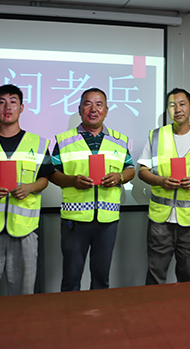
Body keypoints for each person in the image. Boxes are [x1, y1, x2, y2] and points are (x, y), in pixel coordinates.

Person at [0, 84, 54, 297]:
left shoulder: (38, 143)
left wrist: (30, 187)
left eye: (13, 102)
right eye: (2, 102)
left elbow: (45, 178)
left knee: (23, 293)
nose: (7, 107)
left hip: (24, 229)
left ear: (21, 108)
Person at [49, 88, 135, 292]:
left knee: (101, 279)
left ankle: (99, 313)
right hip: (75, 220)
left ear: (106, 111)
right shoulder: (64, 140)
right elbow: (52, 173)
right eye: (88, 104)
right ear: (79, 109)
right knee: (71, 279)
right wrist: (72, 180)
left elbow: (130, 169)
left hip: (107, 220)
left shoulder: (119, 140)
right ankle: (70, 312)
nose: (93, 109)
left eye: (99, 104)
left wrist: (120, 177)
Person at [138, 88, 190, 285]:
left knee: (188, 277)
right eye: (172, 105)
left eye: (182, 104)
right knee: (155, 275)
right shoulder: (156, 136)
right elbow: (142, 171)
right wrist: (160, 181)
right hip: (160, 219)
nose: (178, 109)